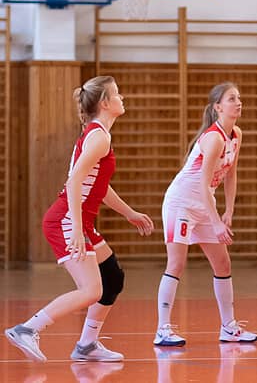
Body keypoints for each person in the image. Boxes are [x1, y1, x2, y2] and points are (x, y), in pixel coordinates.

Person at [5, 76, 153, 362]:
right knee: (91, 290)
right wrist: (74, 226)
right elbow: (73, 183)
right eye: (118, 94)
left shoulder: (97, 134)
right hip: (66, 218)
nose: (123, 99)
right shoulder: (99, 137)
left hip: (79, 219)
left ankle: (87, 345)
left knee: (112, 278)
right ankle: (27, 329)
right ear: (106, 103)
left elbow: (98, 185)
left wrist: (129, 213)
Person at [154, 82, 257, 346]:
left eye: (239, 97)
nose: (238, 102)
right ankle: (162, 329)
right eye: (232, 98)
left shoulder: (236, 134)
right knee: (176, 264)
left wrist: (228, 212)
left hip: (204, 202)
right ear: (217, 107)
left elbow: (230, 174)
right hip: (182, 203)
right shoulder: (213, 138)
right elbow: (202, 183)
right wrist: (215, 222)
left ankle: (229, 327)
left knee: (222, 264)